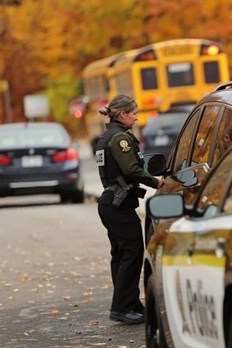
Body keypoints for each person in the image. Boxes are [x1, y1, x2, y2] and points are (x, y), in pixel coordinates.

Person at [95, 95, 164, 325]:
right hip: (118, 204)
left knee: (121, 254)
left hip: (111, 203)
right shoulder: (119, 139)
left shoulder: (106, 137)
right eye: (134, 113)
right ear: (123, 114)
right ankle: (122, 308)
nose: (136, 116)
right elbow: (132, 170)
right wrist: (157, 182)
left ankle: (130, 304)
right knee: (132, 253)